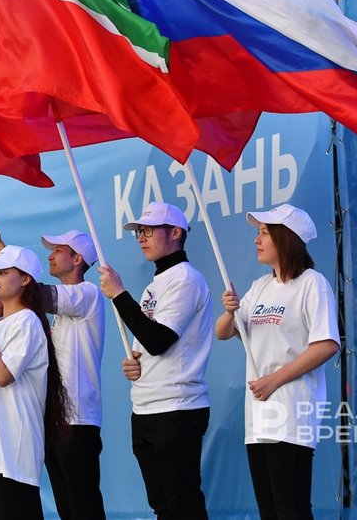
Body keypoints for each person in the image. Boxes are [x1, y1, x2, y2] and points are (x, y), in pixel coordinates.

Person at [215, 204, 340, 520]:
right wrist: (230, 312)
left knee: (291, 508)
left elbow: (327, 344)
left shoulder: (312, 283)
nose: (256, 240)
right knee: (269, 510)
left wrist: (274, 380)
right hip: (258, 418)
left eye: (264, 233)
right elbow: (223, 332)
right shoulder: (260, 286)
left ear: (287, 238)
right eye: (258, 232)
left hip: (291, 411)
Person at [0, 221, 106, 519]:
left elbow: (32, 293)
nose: (50, 255)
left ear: (77, 259)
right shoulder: (55, 313)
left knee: (83, 506)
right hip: (54, 418)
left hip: (78, 417)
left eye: (58, 250)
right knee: (67, 507)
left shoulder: (87, 293)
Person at [98, 201, 213, 519]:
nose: (140, 237)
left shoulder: (185, 280)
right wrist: (135, 365)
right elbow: (148, 345)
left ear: (175, 232)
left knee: (182, 504)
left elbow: (159, 340)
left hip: (177, 407)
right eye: (139, 231)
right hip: (146, 407)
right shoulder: (155, 285)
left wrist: (119, 295)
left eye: (148, 231)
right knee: (162, 506)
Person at [0, 245, 69, 520]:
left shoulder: (28, 321)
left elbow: (3, 375)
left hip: (14, 448)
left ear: (25, 279)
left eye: (2, 272)